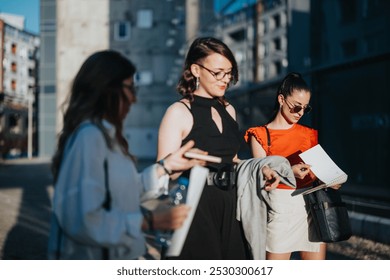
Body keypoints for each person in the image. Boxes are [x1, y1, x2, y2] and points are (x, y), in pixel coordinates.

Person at [47, 50, 206, 260]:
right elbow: (82, 219)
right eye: (131, 89)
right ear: (108, 90)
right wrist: (151, 222)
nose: (134, 99)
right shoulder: (90, 137)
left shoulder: (105, 136)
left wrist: (164, 167)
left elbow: (118, 194)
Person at [157, 37, 280, 260]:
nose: (225, 80)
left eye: (229, 73)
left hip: (233, 205)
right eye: (218, 73)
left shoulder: (230, 110)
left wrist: (258, 169)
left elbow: (231, 159)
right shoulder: (178, 112)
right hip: (195, 207)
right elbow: (163, 172)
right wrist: (183, 160)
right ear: (195, 69)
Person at [244, 72, 341, 260]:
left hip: (311, 208)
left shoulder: (308, 134)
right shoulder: (260, 135)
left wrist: (329, 180)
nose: (300, 113)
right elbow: (262, 175)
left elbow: (317, 170)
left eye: (306, 108)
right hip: (280, 210)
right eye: (296, 106)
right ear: (281, 99)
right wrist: (289, 172)